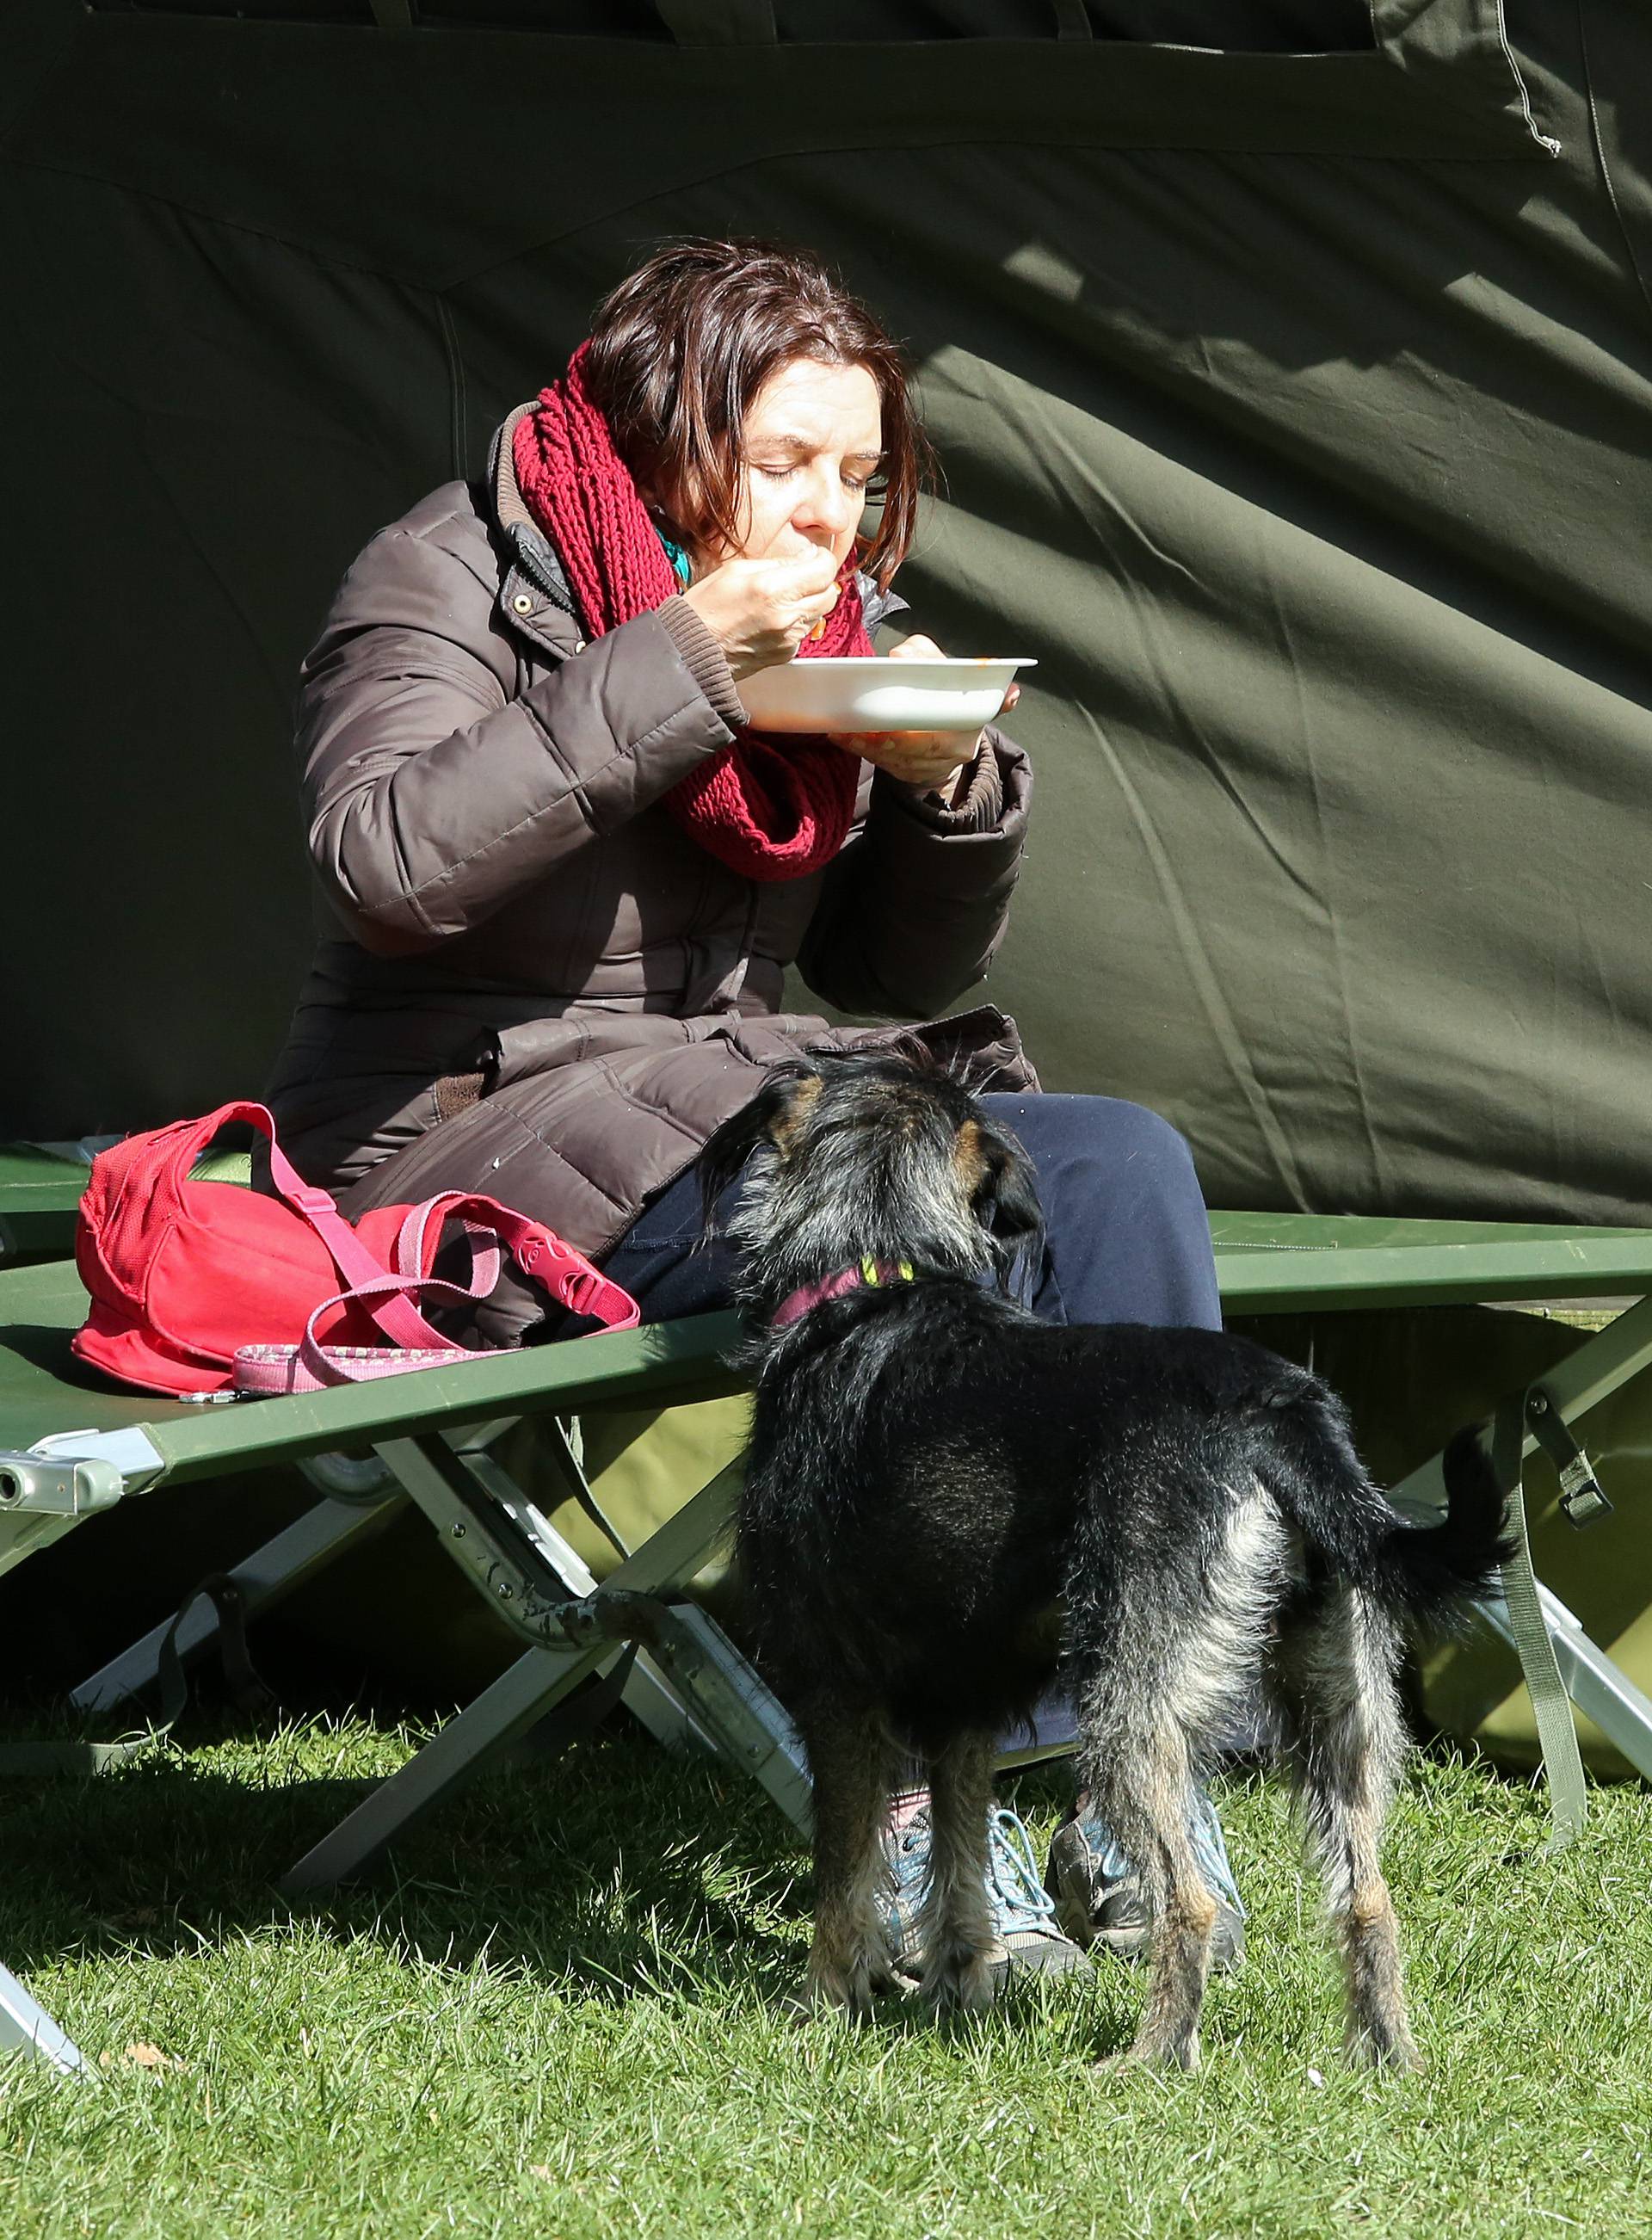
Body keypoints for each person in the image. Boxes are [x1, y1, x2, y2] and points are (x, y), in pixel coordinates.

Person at [265, 236, 1242, 1983]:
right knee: (887, 1222)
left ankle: (1132, 1761)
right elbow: (385, 866)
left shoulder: (818, 630)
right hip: (456, 1137)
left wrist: (949, 790)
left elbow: (876, 965)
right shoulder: (452, 575)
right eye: (781, 465)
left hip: (732, 1095)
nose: (828, 520)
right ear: (664, 437)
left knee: (1116, 1172)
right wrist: (678, 661)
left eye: (859, 480)